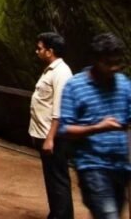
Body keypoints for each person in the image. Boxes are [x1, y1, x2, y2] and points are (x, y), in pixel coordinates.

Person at [59, 32, 131, 219]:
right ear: (95, 60)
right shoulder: (75, 86)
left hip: (120, 167)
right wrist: (98, 127)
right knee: (108, 216)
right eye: (108, 63)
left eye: (118, 63)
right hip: (92, 166)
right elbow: (65, 129)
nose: (114, 68)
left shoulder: (123, 84)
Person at [30, 32, 74, 219]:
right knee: (52, 179)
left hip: (53, 137)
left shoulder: (61, 73)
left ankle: (62, 216)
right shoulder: (51, 70)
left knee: (58, 179)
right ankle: (57, 213)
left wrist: (50, 139)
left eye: (40, 48)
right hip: (45, 134)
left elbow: (59, 109)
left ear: (50, 51)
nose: (37, 51)